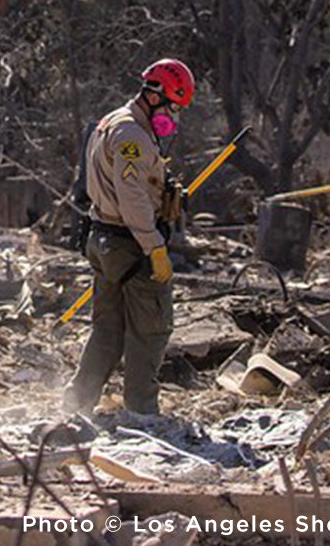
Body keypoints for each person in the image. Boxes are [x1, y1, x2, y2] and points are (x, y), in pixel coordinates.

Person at [62, 58, 195, 416]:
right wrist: (155, 248)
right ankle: (142, 412)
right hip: (130, 245)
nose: (173, 118)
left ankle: (76, 404)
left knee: (108, 330)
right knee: (150, 329)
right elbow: (131, 194)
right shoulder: (131, 135)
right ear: (154, 96)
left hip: (105, 239)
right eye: (172, 107)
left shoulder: (115, 121)